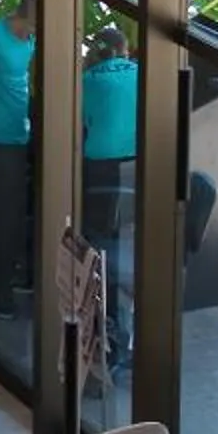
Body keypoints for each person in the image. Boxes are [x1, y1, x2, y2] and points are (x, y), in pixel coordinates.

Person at [80, 25, 139, 365]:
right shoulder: (141, 73)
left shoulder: (87, 81)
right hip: (135, 164)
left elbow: (83, 121)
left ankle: (103, 318)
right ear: (125, 48)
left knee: (99, 238)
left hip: (99, 163)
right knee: (123, 237)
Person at [0, 0, 35, 315]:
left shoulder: (31, 39)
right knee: (4, 216)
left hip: (23, 133)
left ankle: (18, 273)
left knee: (21, 213)